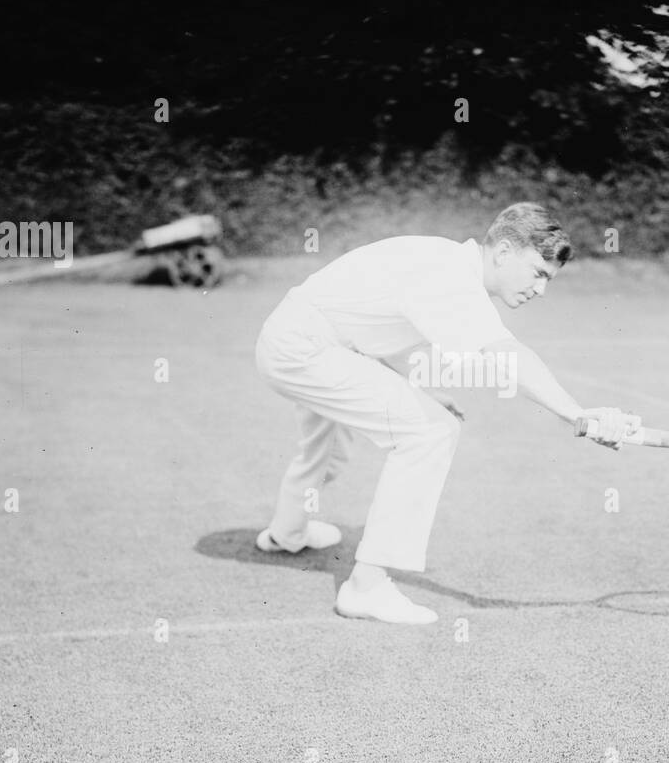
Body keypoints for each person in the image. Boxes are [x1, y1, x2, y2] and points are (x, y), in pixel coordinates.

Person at [254, 202, 639, 624]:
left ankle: (287, 533)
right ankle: (365, 588)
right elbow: (506, 358)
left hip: (301, 339)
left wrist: (416, 387)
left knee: (328, 444)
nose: (541, 289)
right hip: (306, 348)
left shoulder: (445, 261)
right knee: (430, 432)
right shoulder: (451, 277)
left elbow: (368, 323)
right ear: (505, 251)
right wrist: (577, 413)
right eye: (538, 273)